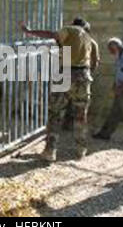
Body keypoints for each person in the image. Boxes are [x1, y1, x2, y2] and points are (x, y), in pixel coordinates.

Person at [18, 17, 100, 161]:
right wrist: (85, 75)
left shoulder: (70, 29)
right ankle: (81, 150)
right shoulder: (90, 40)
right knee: (81, 116)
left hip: (65, 74)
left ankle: (50, 151)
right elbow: (95, 62)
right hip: (83, 77)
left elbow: (52, 35)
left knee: (55, 114)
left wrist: (29, 31)